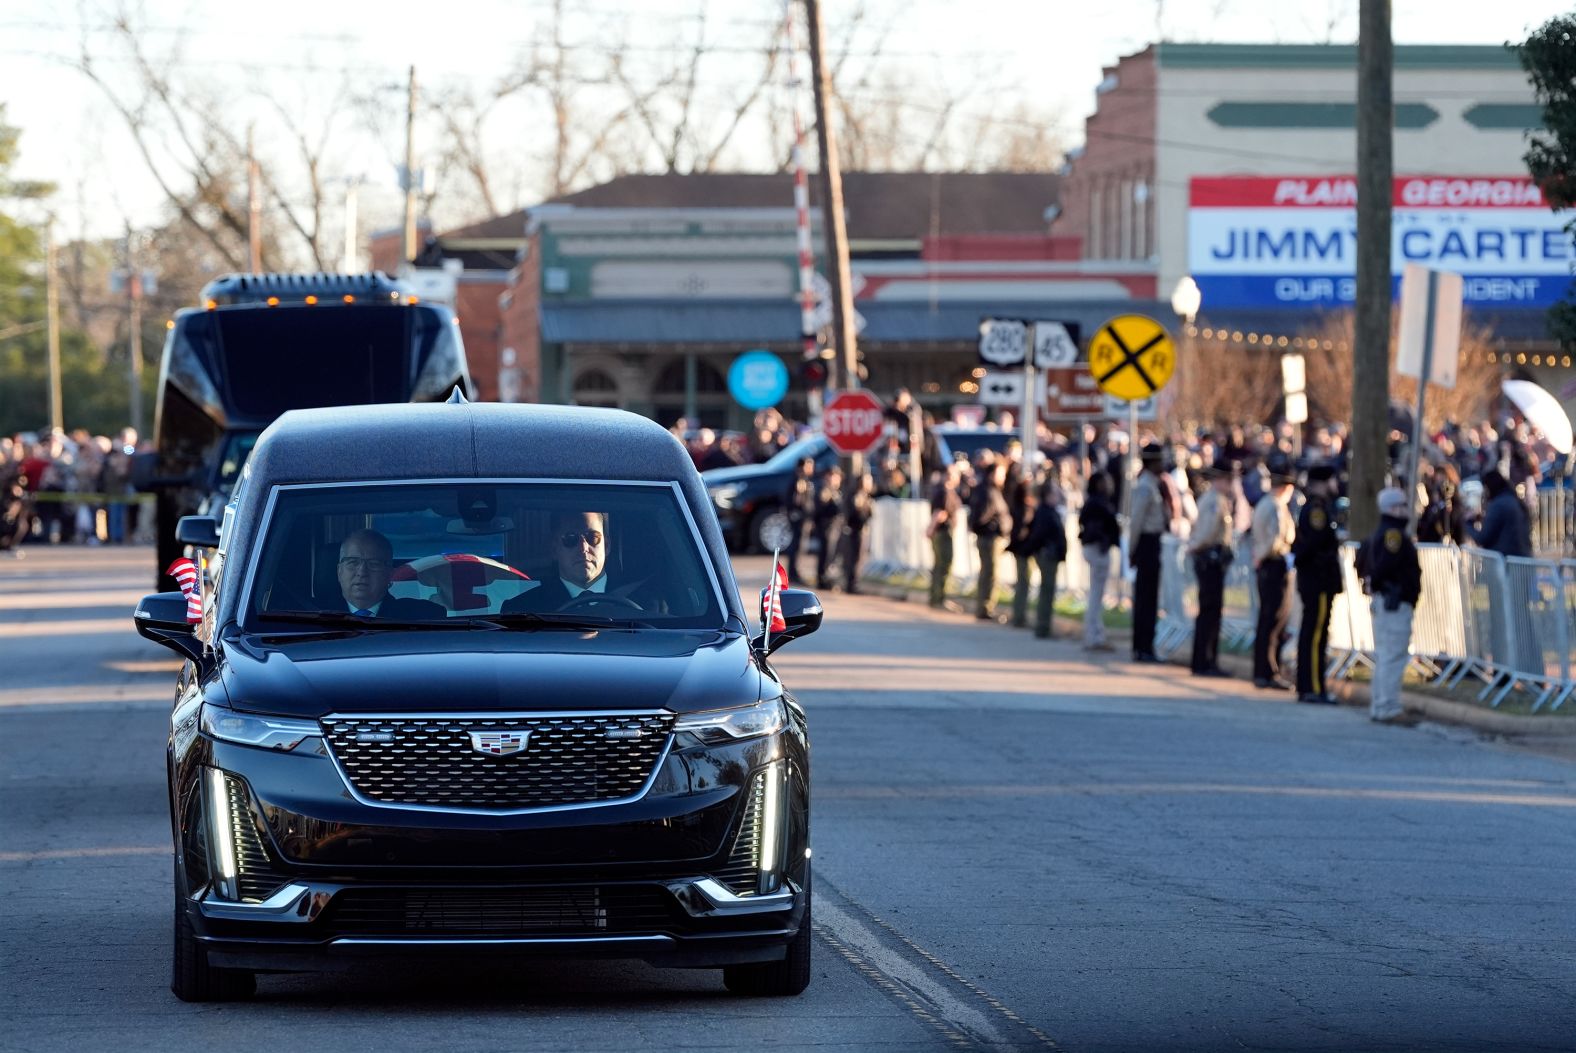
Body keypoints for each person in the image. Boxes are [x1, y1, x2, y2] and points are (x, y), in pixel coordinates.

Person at [501, 510, 659, 614]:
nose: (584, 548)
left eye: (593, 538)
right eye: (570, 539)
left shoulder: (648, 606)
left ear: (607, 545)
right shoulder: (522, 611)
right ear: (554, 549)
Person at [1356, 488, 1423, 725]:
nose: (1407, 510)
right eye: (1403, 505)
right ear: (1394, 508)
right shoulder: (1393, 535)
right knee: (1392, 657)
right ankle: (1387, 707)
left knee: (1386, 656)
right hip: (1394, 603)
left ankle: (1380, 705)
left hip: (1386, 602)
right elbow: (1384, 566)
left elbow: (1361, 562)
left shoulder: (1380, 533)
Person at [1292, 464, 1344, 704]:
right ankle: (1312, 687)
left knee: (1314, 633)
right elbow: (1315, 545)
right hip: (1318, 579)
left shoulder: (1319, 507)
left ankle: (1310, 685)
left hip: (1316, 579)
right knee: (1315, 636)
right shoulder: (1317, 509)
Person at [1249, 453, 1297, 690]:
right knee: (1274, 620)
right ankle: (1268, 670)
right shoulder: (1276, 506)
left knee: (1268, 619)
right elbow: (1277, 538)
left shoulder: (1264, 503)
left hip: (1266, 562)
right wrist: (1271, 554)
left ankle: (1263, 670)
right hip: (1274, 563)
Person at [1188, 459, 1236, 677]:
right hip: (1210, 560)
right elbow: (1207, 532)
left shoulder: (1216, 499)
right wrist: (1197, 547)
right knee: (1210, 611)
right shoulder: (1215, 500)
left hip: (1211, 559)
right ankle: (1204, 661)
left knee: (1212, 611)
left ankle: (1206, 660)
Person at [335, 528, 446, 618]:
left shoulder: (424, 616)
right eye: (353, 562)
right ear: (339, 571)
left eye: (374, 564)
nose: (362, 572)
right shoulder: (318, 616)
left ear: (390, 574)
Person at [1128, 443, 1168, 663]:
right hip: (1146, 543)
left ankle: (1146, 645)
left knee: (1150, 598)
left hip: (1153, 542)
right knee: (1145, 598)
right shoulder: (1145, 486)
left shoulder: (1154, 484)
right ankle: (1142, 647)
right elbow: (1137, 521)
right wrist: (1133, 550)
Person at [1014, 479, 1068, 639]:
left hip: (1049, 554)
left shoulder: (1048, 511)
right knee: (1046, 591)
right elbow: (1038, 535)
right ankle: (1043, 627)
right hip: (1047, 555)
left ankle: (1043, 625)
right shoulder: (1045, 512)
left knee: (1047, 591)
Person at [1078, 472, 1120, 652]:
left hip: (1095, 547)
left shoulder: (1095, 502)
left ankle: (1096, 634)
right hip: (1097, 548)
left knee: (1096, 594)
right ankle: (1093, 636)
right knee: (1096, 595)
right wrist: (1105, 539)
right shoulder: (1098, 503)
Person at [968, 452, 1010, 621]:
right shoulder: (988, 491)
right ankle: (986, 608)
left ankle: (984, 607)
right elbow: (982, 515)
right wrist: (994, 525)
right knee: (991, 574)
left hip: (989, 536)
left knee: (987, 573)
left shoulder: (989, 489)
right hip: (989, 538)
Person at [1468, 470, 1532, 557]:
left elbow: (1483, 538)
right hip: (1522, 558)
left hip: (1506, 559)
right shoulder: (1513, 500)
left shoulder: (1499, 505)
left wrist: (1467, 523)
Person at [926, 463, 963, 609]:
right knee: (944, 565)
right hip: (943, 533)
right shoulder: (945, 492)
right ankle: (939, 597)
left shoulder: (946, 491)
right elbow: (940, 513)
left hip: (940, 532)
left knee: (938, 565)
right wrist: (931, 529)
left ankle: (936, 597)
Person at [783, 457, 817, 584]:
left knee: (801, 546)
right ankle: (793, 573)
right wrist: (794, 513)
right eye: (809, 465)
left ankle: (796, 572)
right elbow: (792, 501)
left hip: (805, 519)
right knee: (796, 546)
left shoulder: (806, 480)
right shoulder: (798, 480)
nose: (811, 468)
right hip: (799, 519)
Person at [841, 471, 875, 594]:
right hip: (855, 531)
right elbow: (854, 515)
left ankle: (854, 582)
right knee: (853, 558)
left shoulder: (867, 497)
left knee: (860, 558)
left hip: (863, 531)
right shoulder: (856, 496)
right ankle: (850, 584)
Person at [812, 464, 845, 590]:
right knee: (826, 554)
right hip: (826, 527)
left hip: (835, 528)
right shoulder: (824, 491)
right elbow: (821, 510)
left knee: (833, 555)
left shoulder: (838, 492)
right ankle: (822, 578)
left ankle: (829, 577)